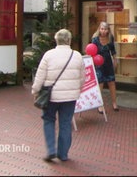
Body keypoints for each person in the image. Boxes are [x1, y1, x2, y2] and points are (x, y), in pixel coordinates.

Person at [31, 29, 85, 163]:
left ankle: (51, 150)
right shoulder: (77, 56)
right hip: (70, 97)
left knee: (49, 120)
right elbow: (82, 78)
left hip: (51, 96)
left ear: (56, 40)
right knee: (66, 123)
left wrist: (35, 91)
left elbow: (40, 76)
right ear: (69, 40)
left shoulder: (49, 55)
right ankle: (63, 154)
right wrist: (77, 90)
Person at [92, 21, 119, 112]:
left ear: (108, 30)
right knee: (100, 84)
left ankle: (114, 103)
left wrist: (115, 60)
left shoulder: (110, 38)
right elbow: (92, 51)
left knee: (111, 82)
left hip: (108, 63)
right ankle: (100, 105)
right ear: (99, 29)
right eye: (102, 29)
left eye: (105, 29)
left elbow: (113, 51)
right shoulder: (95, 39)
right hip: (99, 64)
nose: (103, 31)